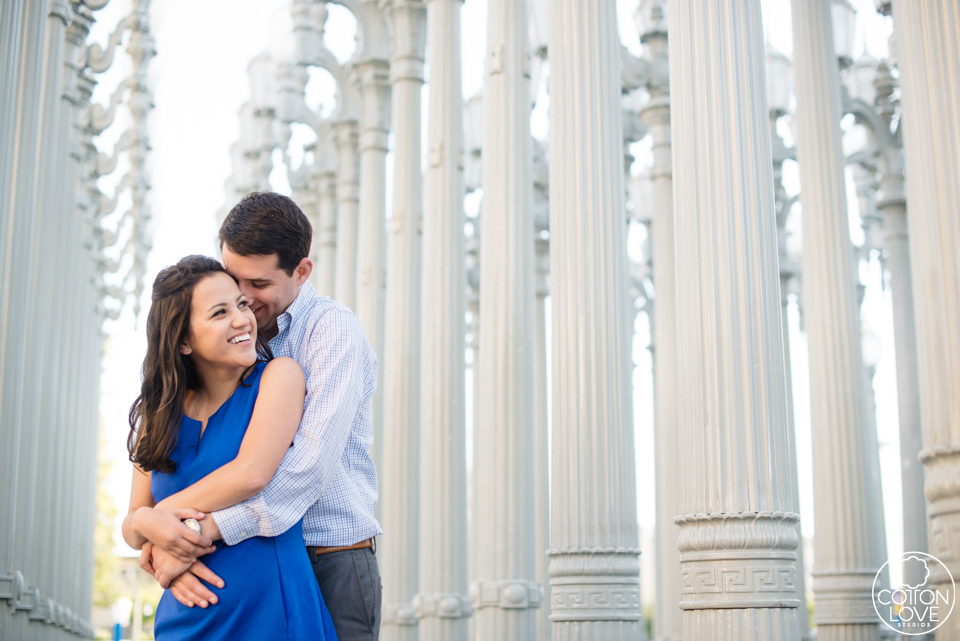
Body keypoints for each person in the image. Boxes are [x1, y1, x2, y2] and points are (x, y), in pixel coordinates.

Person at [139, 192, 382, 641]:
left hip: (331, 557)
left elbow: (303, 471)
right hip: (234, 562)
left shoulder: (331, 332)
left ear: (301, 272)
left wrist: (183, 531)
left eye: (258, 285)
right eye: (234, 283)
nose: (245, 301)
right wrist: (155, 533)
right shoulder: (237, 350)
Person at [122, 255, 338, 640]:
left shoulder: (279, 376)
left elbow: (251, 473)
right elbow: (133, 524)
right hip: (185, 617)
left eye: (241, 304)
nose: (243, 319)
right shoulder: (156, 416)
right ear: (183, 340)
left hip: (271, 612)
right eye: (220, 312)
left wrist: (161, 522)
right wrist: (142, 523)